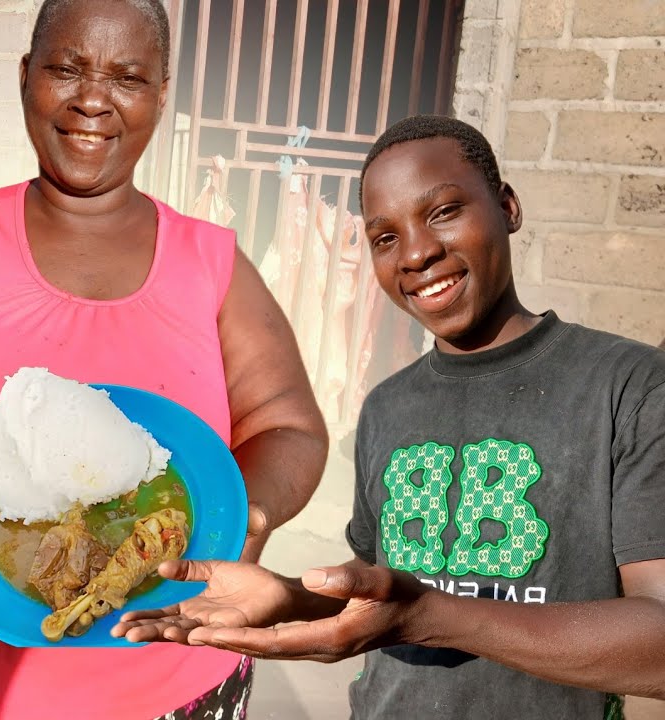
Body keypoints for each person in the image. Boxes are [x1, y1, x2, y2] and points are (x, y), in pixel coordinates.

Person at [0, 0, 328, 718]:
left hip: (169, 680)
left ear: (160, 94)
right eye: (66, 68)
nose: (93, 99)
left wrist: (245, 513)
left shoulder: (210, 263)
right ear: (27, 76)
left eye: (127, 76)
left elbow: (291, 427)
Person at [114, 115, 665, 716]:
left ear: (508, 207)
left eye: (444, 212)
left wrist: (431, 620)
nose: (418, 253)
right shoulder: (387, 407)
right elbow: (383, 593)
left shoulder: (628, 387)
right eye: (384, 238)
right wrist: (290, 596)